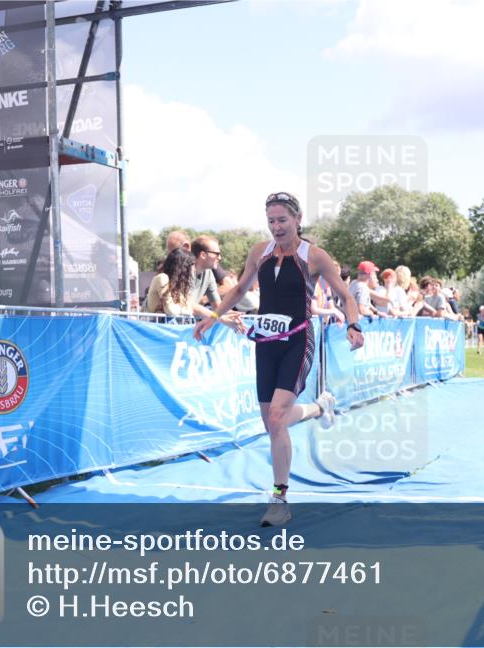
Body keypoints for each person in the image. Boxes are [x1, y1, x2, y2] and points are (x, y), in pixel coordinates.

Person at [193, 192, 364, 528]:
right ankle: (318, 407)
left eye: (282, 220)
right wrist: (213, 316)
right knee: (274, 423)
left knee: (276, 415)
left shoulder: (314, 256)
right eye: (271, 221)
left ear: (297, 220)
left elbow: (345, 296)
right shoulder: (260, 252)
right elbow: (240, 289)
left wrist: (355, 324)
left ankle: (279, 498)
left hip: (298, 340)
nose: (276, 227)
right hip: (267, 342)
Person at [143, 247, 195, 317]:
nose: (193, 269)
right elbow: (171, 311)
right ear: (184, 267)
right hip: (150, 325)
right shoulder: (162, 278)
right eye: (191, 265)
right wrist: (182, 309)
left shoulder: (180, 285)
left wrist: (181, 309)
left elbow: (190, 310)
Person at [189, 235, 223, 317]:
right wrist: (217, 317)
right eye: (217, 254)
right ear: (203, 255)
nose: (220, 258)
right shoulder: (184, 272)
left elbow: (218, 307)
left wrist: (235, 316)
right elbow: (187, 305)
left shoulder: (208, 273)